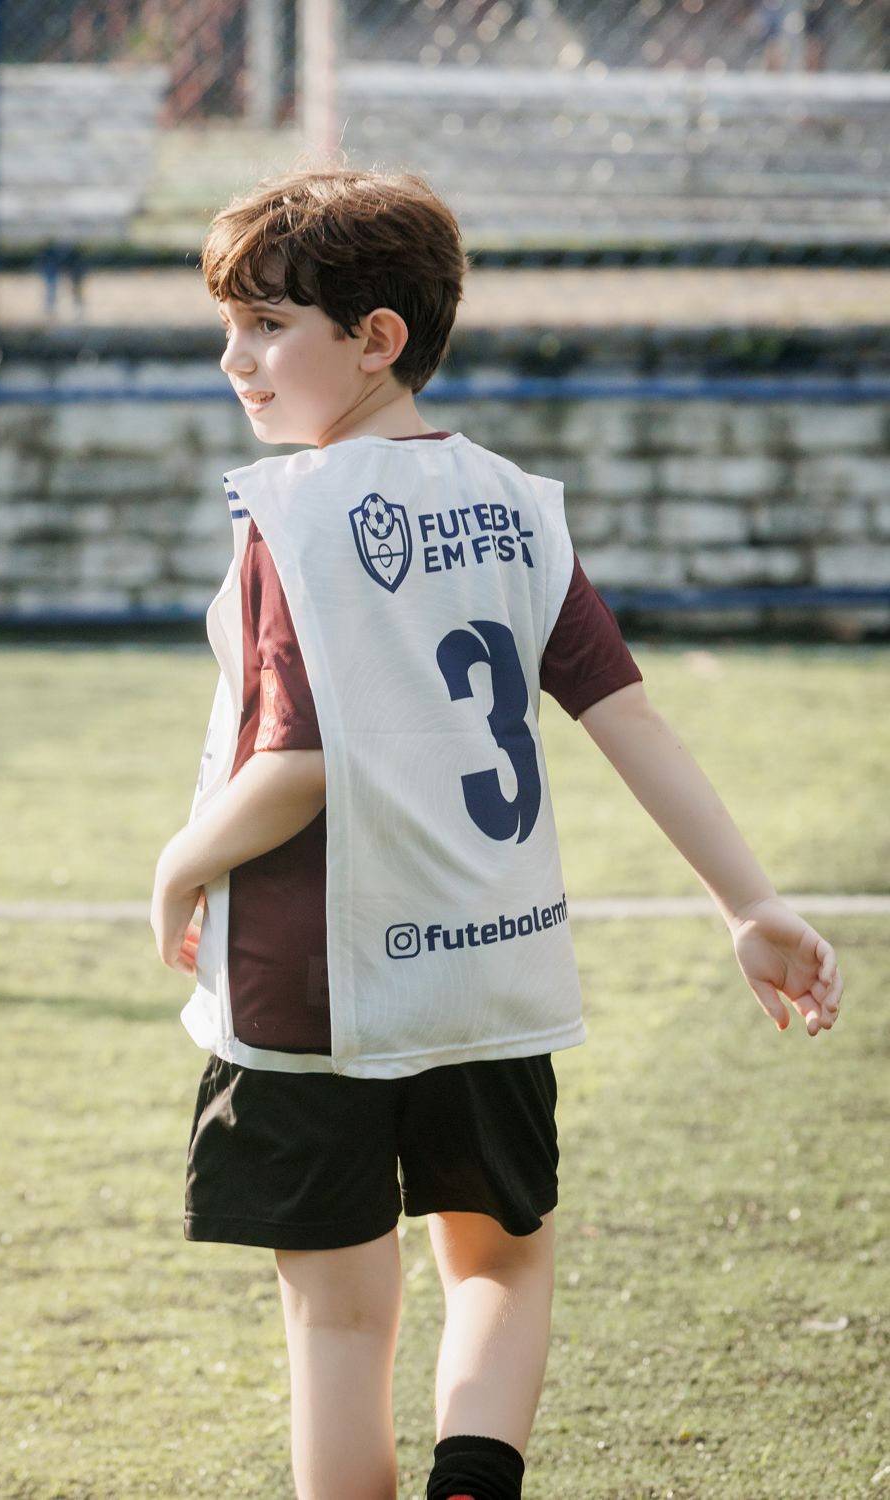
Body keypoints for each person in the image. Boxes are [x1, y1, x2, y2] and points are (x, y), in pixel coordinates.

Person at [150, 167, 843, 1500]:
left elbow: (296, 765)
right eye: (228, 327)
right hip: (492, 964)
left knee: (341, 1318)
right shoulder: (523, 504)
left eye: (267, 326)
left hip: (313, 985)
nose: (236, 359)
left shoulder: (294, 514)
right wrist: (750, 905)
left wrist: (182, 862)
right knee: (500, 1266)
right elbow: (630, 721)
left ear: (377, 338)